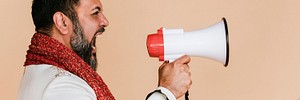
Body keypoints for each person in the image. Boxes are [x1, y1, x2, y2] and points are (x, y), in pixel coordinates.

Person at [18, 0, 192, 100]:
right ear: (63, 22)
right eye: (95, 12)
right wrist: (167, 91)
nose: (105, 21)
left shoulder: (41, 72)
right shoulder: (60, 88)